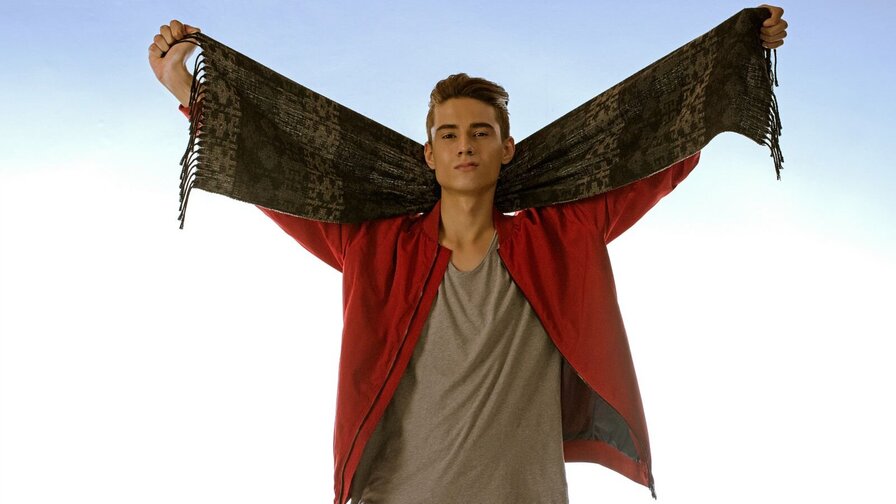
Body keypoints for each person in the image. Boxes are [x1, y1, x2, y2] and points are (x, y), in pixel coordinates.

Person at [148, 7, 788, 504]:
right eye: (449, 134)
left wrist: (740, 57)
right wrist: (190, 93)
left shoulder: (561, 238)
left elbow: (654, 157)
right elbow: (274, 179)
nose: (465, 146)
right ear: (428, 153)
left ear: (507, 148)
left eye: (481, 133)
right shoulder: (374, 247)